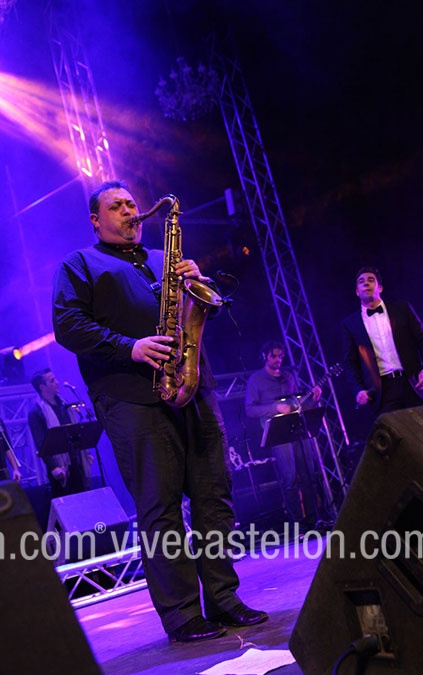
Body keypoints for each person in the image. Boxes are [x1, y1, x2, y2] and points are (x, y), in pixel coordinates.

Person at [52, 180, 267, 643]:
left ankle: (224, 599)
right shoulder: (80, 264)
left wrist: (198, 283)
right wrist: (129, 347)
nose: (130, 210)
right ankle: (183, 614)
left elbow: (207, 308)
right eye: (117, 206)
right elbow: (67, 325)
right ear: (96, 220)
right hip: (132, 397)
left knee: (214, 496)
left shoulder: (161, 258)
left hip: (193, 386)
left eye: (132, 203)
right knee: (160, 507)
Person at [245, 340, 324, 531]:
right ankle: (298, 525)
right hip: (278, 433)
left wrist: (313, 399)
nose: (278, 360)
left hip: (297, 429)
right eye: (274, 356)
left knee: (309, 474)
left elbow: (296, 405)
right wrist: (275, 407)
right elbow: (250, 409)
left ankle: (314, 520)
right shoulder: (256, 380)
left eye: (280, 356)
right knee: (289, 478)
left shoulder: (288, 376)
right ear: (264, 356)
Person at [341, 266, 423, 416]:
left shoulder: (402, 309)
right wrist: (358, 389)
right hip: (382, 392)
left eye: (371, 280)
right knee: (394, 431)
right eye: (361, 281)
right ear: (357, 292)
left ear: (380, 288)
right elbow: (350, 362)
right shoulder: (350, 324)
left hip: (412, 382)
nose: (366, 283)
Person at [28, 368, 93, 498]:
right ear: (42, 387)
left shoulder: (64, 405)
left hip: (76, 460)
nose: (57, 382)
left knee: (84, 498)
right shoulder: (36, 412)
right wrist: (53, 467)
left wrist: (86, 453)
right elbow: (41, 444)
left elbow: (74, 431)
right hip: (59, 467)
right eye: (52, 381)